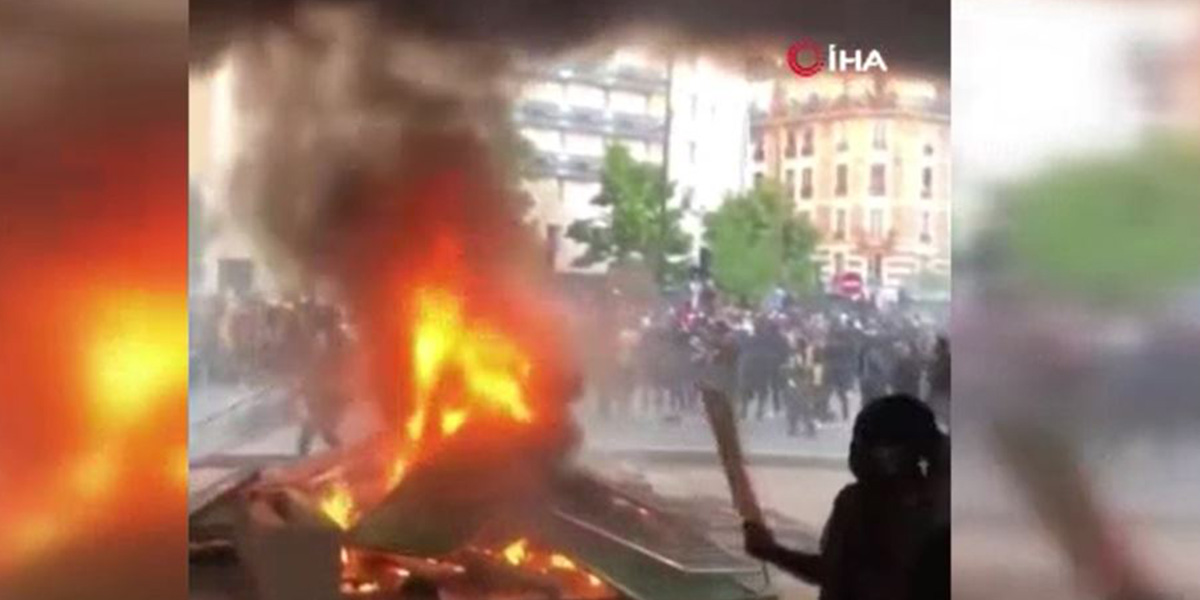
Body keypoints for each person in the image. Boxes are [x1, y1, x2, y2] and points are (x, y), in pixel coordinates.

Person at [743, 394, 949, 600]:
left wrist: (771, 552)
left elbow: (834, 573)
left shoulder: (858, 504)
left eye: (865, 443)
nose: (855, 452)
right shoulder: (942, 505)